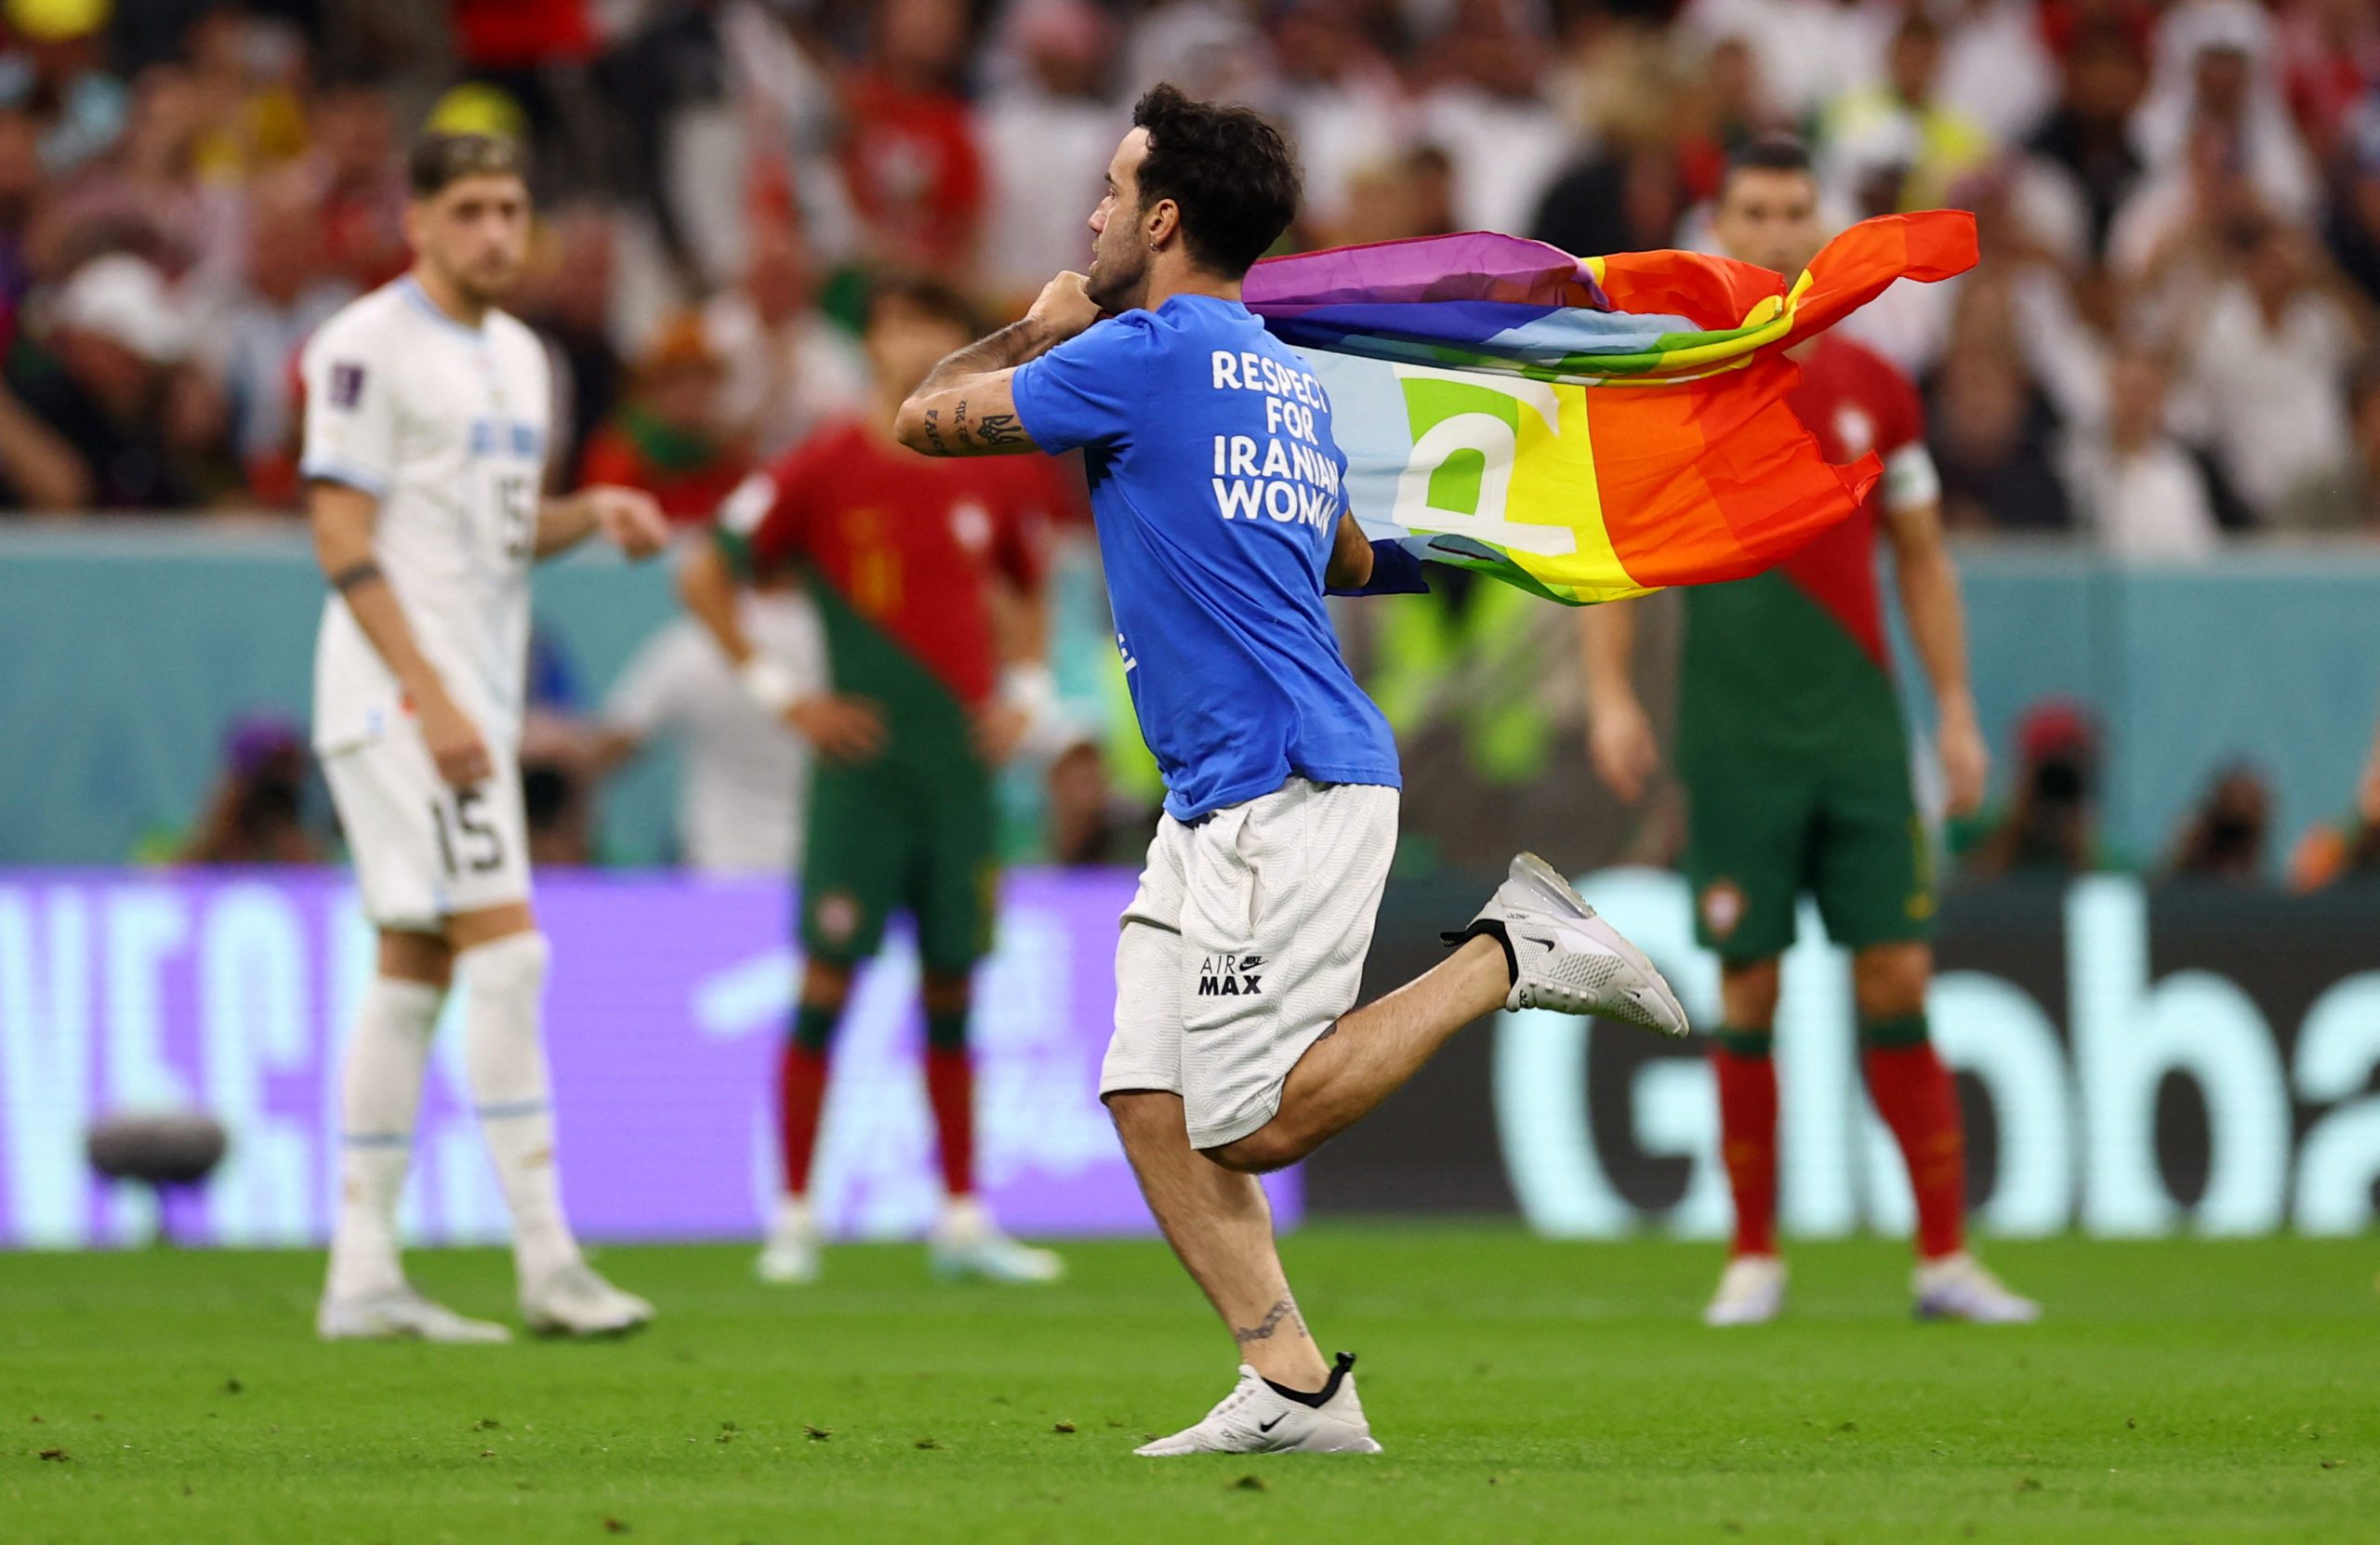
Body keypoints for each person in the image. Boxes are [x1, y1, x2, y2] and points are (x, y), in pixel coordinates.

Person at [893, 84, 1687, 1457]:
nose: (1088, 213)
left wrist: (1038, 324)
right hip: (1222, 785)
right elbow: (1345, 559)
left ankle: (1510, 948)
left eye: (1108, 188)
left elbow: (916, 418)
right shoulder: (1282, 379)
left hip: (1286, 779)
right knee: (1148, 1095)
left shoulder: (1134, 356)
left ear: (1162, 218)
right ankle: (1297, 1388)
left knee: (1250, 1121)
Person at [1582, 137, 2038, 1329]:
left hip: (1857, 730)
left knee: (1896, 972)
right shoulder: (1671, 376)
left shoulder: (1877, 387)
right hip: (1732, 733)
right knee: (1750, 988)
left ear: (1819, 224)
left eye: (1796, 210)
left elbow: (1923, 564)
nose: (1778, 231)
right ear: (1719, 224)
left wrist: (1954, 713)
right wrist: (1614, 695)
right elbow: (1614, 553)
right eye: (1756, 210)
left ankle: (1943, 1259)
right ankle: (1751, 1254)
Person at [302, 131, 669, 1343]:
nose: (496, 233)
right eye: (468, 210)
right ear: (416, 222)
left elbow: (500, 535)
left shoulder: (524, 357)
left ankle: (362, 1272)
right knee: (507, 957)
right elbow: (343, 535)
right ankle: (548, 1257)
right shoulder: (366, 344)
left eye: (511, 209)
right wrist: (435, 696)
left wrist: (589, 511)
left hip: (465, 694)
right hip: (400, 694)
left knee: (415, 965)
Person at [679, 274, 1071, 1288]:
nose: (915, 343)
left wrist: (1025, 689)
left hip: (957, 776)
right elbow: (703, 570)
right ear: (875, 343)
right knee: (827, 981)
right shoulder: (820, 465)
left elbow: (1032, 579)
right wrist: (781, 693)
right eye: (900, 325)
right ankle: (796, 1218)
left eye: (936, 326)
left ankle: (961, 1218)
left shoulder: (1000, 466)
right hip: (859, 773)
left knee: (953, 987)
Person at [589, 576, 827, 876]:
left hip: (716, 872)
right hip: (821, 868)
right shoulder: (844, 646)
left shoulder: (689, 646)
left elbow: (609, 745)